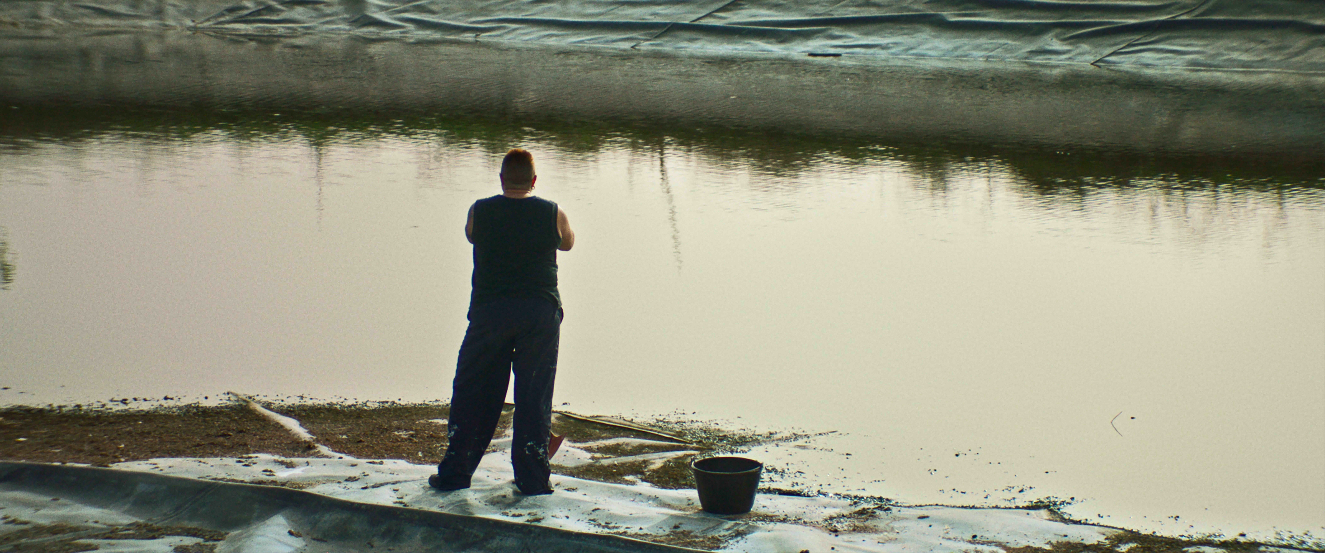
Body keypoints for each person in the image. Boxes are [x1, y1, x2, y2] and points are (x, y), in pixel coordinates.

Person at [430, 148, 575, 496]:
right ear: (534, 181)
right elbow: (568, 243)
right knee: (533, 396)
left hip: (490, 314)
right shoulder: (553, 213)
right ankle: (532, 479)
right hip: (538, 315)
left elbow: (470, 234)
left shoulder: (480, 211)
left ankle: (455, 474)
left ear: (501, 179)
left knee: (473, 392)